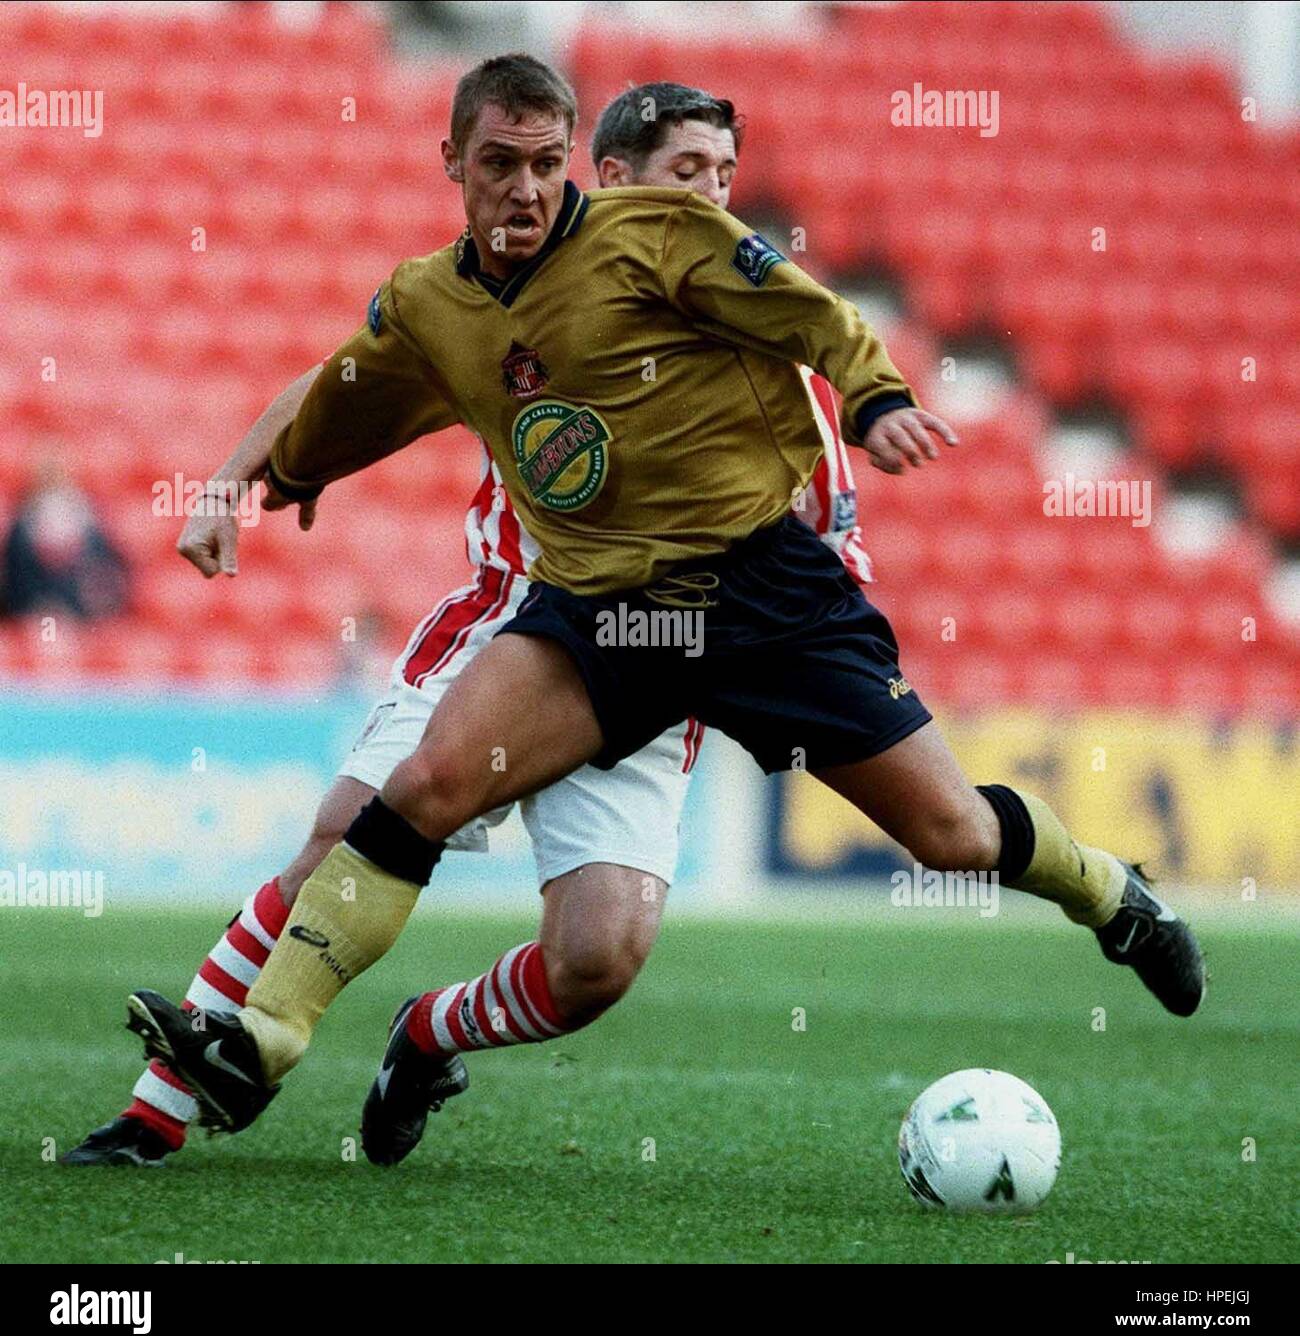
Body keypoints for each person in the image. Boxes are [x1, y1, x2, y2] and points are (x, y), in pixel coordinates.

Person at [126, 53, 1205, 1170]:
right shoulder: (436, 302)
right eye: (502, 164)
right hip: (596, 605)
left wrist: (878, 396)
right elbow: (354, 388)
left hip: (764, 600)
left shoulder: (670, 243)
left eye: (544, 166)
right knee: (424, 786)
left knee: (953, 834)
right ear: (456, 163)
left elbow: (814, 314)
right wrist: (270, 476)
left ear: (575, 170)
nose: (527, 188)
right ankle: (262, 1037)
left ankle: (1111, 894)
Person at [64, 79, 867, 1166]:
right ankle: (158, 1110)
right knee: (346, 834)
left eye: (726, 179)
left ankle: (427, 1031)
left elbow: (826, 549)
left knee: (599, 959)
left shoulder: (768, 342)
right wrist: (232, 481)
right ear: (616, 180)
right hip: (512, 624)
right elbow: (343, 377)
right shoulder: (517, 295)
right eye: (689, 178)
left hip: (648, 663)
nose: (713, 203)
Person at [1, 459, 129, 621]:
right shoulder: (20, 525)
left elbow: (104, 571)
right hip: (32, 608)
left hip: (78, 611)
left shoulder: (89, 521)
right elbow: (14, 576)